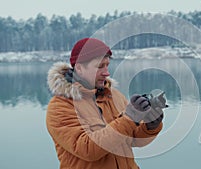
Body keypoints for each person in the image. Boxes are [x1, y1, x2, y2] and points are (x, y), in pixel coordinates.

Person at [46, 38, 165, 169]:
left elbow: (132, 138)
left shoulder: (114, 96)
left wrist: (150, 125)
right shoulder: (60, 107)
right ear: (79, 68)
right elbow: (87, 149)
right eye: (100, 66)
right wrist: (130, 118)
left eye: (107, 65)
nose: (106, 72)